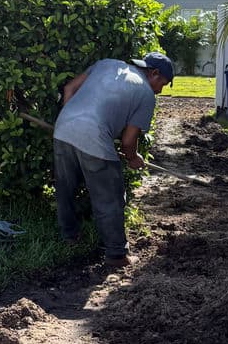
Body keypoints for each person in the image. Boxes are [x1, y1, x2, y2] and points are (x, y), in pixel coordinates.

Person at [53, 51, 175, 267]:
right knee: (109, 198)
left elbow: (69, 88)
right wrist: (133, 158)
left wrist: (72, 121)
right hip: (94, 136)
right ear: (154, 74)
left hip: (62, 129)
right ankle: (117, 255)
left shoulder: (106, 63)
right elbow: (128, 142)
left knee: (65, 189)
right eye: (163, 84)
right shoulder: (146, 94)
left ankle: (69, 237)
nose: (160, 90)